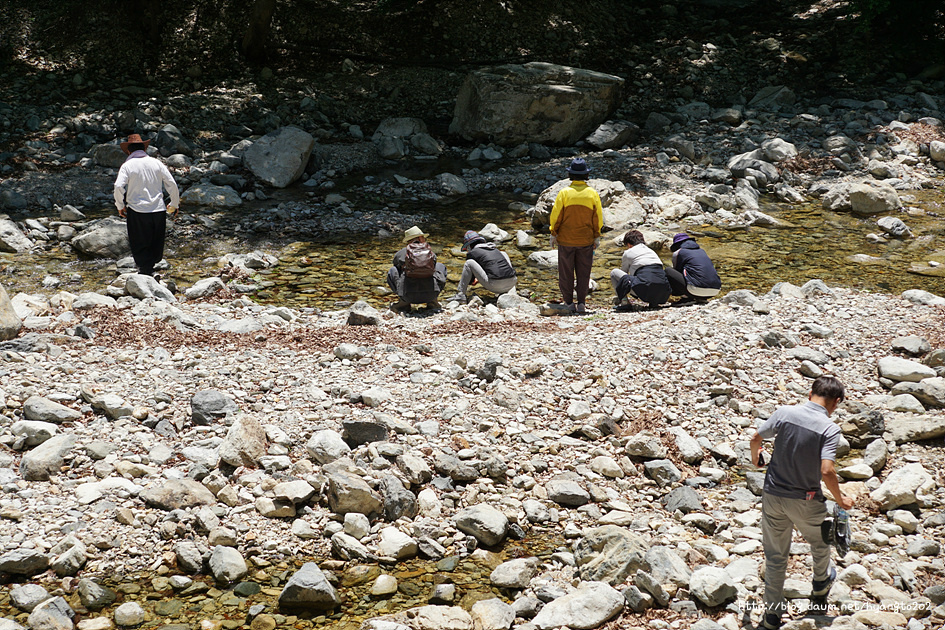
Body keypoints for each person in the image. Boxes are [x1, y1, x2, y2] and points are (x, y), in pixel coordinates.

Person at [750, 375, 855, 630]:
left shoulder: (784, 412)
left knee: (775, 556)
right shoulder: (830, 429)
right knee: (821, 543)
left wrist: (757, 459)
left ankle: (772, 616)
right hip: (806, 500)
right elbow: (827, 471)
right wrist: (841, 499)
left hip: (774, 496)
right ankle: (819, 588)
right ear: (836, 402)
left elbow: (756, 438)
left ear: (811, 394)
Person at [113, 133, 180, 278]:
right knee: (156, 241)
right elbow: (172, 184)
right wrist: (174, 203)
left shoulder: (127, 165)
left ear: (129, 151)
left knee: (139, 242)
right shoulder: (157, 163)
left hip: (137, 210)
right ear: (144, 148)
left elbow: (118, 186)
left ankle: (145, 271)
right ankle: (150, 269)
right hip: (158, 209)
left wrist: (120, 205)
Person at [549, 158, 602, 314]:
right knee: (584, 272)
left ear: (570, 175)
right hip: (586, 240)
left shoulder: (564, 193)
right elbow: (597, 218)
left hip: (566, 240)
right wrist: (596, 236)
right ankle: (582, 303)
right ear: (586, 176)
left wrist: (553, 233)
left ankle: (568, 302)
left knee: (566, 272)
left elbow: (556, 216)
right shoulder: (592, 194)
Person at [387, 226, 447, 312]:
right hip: (431, 294)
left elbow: (395, 265)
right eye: (423, 237)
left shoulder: (401, 253)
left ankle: (403, 303)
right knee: (440, 266)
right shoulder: (430, 253)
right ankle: (433, 302)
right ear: (419, 238)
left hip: (407, 296)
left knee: (393, 270)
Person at [451, 230, 517, 303]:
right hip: (512, 282)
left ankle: (460, 295)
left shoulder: (472, 253)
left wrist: (473, 280)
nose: (467, 250)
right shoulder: (494, 249)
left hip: (495, 285)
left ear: (469, 246)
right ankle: (512, 292)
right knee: (503, 254)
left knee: (469, 263)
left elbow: (470, 280)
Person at [610, 230, 671, 308]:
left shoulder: (628, 252)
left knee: (614, 273)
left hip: (645, 292)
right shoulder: (651, 252)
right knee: (651, 277)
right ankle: (653, 303)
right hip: (663, 294)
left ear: (629, 244)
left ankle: (624, 303)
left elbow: (623, 275)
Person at [665, 233, 722, 301]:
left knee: (668, 271)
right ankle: (698, 297)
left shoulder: (678, 252)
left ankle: (686, 298)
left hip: (696, 290)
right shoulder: (702, 251)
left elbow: (677, 271)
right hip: (715, 290)